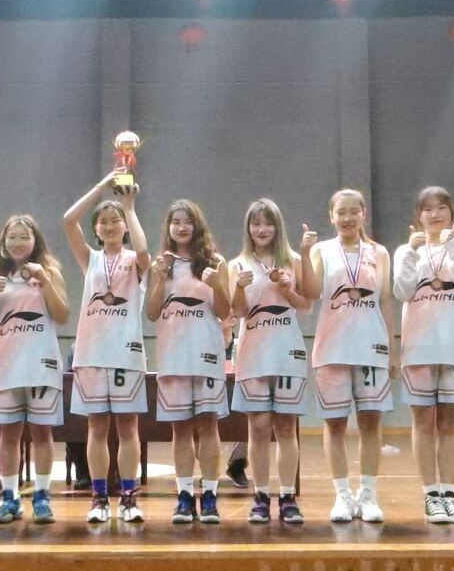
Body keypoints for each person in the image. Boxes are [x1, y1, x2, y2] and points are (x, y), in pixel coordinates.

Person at [299, 189, 395, 524]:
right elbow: (310, 293)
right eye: (341, 212)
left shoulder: (379, 252)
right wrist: (304, 254)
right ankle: (341, 495)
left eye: (354, 211)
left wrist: (392, 347)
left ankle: (368, 495)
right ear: (331, 216)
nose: (348, 217)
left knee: (370, 422)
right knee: (335, 424)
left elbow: (385, 300)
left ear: (363, 213)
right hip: (332, 347)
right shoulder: (322, 250)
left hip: (371, 347)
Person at [63, 172, 153, 523]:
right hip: (91, 353)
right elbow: (68, 220)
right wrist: (101, 187)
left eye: (116, 220)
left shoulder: (134, 260)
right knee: (96, 428)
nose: (110, 225)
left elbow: (144, 252)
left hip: (126, 353)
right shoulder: (90, 259)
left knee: (128, 427)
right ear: (97, 230)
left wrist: (129, 207)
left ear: (125, 227)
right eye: (104, 221)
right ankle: (99, 498)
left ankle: (129, 497)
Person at [393, 186, 454, 524]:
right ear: (419, 216)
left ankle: (450, 494)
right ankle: (430, 495)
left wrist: (453, 247)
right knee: (422, 423)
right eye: (428, 209)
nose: (435, 214)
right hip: (418, 346)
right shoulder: (406, 249)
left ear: (451, 213)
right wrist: (411, 254)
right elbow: (401, 291)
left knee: (449, 424)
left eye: (441, 207)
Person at [0, 215, 70, 525]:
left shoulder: (49, 272)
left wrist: (45, 281)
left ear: (35, 241)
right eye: (12, 237)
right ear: (3, 241)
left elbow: (62, 315)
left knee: (42, 432)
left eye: (24, 237)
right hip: (5, 364)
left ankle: (42, 496)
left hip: (41, 364)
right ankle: (9, 498)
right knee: (8, 434)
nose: (18, 243)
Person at [145, 199, 230, 524]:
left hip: (206, 354)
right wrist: (158, 279)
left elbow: (224, 311)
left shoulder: (215, 262)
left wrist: (217, 284)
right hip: (173, 356)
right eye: (176, 221)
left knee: (208, 425)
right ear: (168, 227)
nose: (182, 227)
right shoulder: (161, 265)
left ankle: (210, 495)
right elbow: (152, 313)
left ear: (197, 226)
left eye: (187, 221)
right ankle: (183, 496)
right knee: (180, 428)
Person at [228, 198, 313, 524]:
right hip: (253, 352)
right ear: (248, 228)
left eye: (268, 223)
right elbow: (236, 311)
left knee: (286, 427)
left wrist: (288, 289)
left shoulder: (293, 260)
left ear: (278, 227)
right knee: (259, 427)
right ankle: (261, 496)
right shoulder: (238, 264)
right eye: (256, 223)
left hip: (287, 351)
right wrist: (239, 288)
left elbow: (305, 306)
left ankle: (288, 497)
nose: (261, 229)